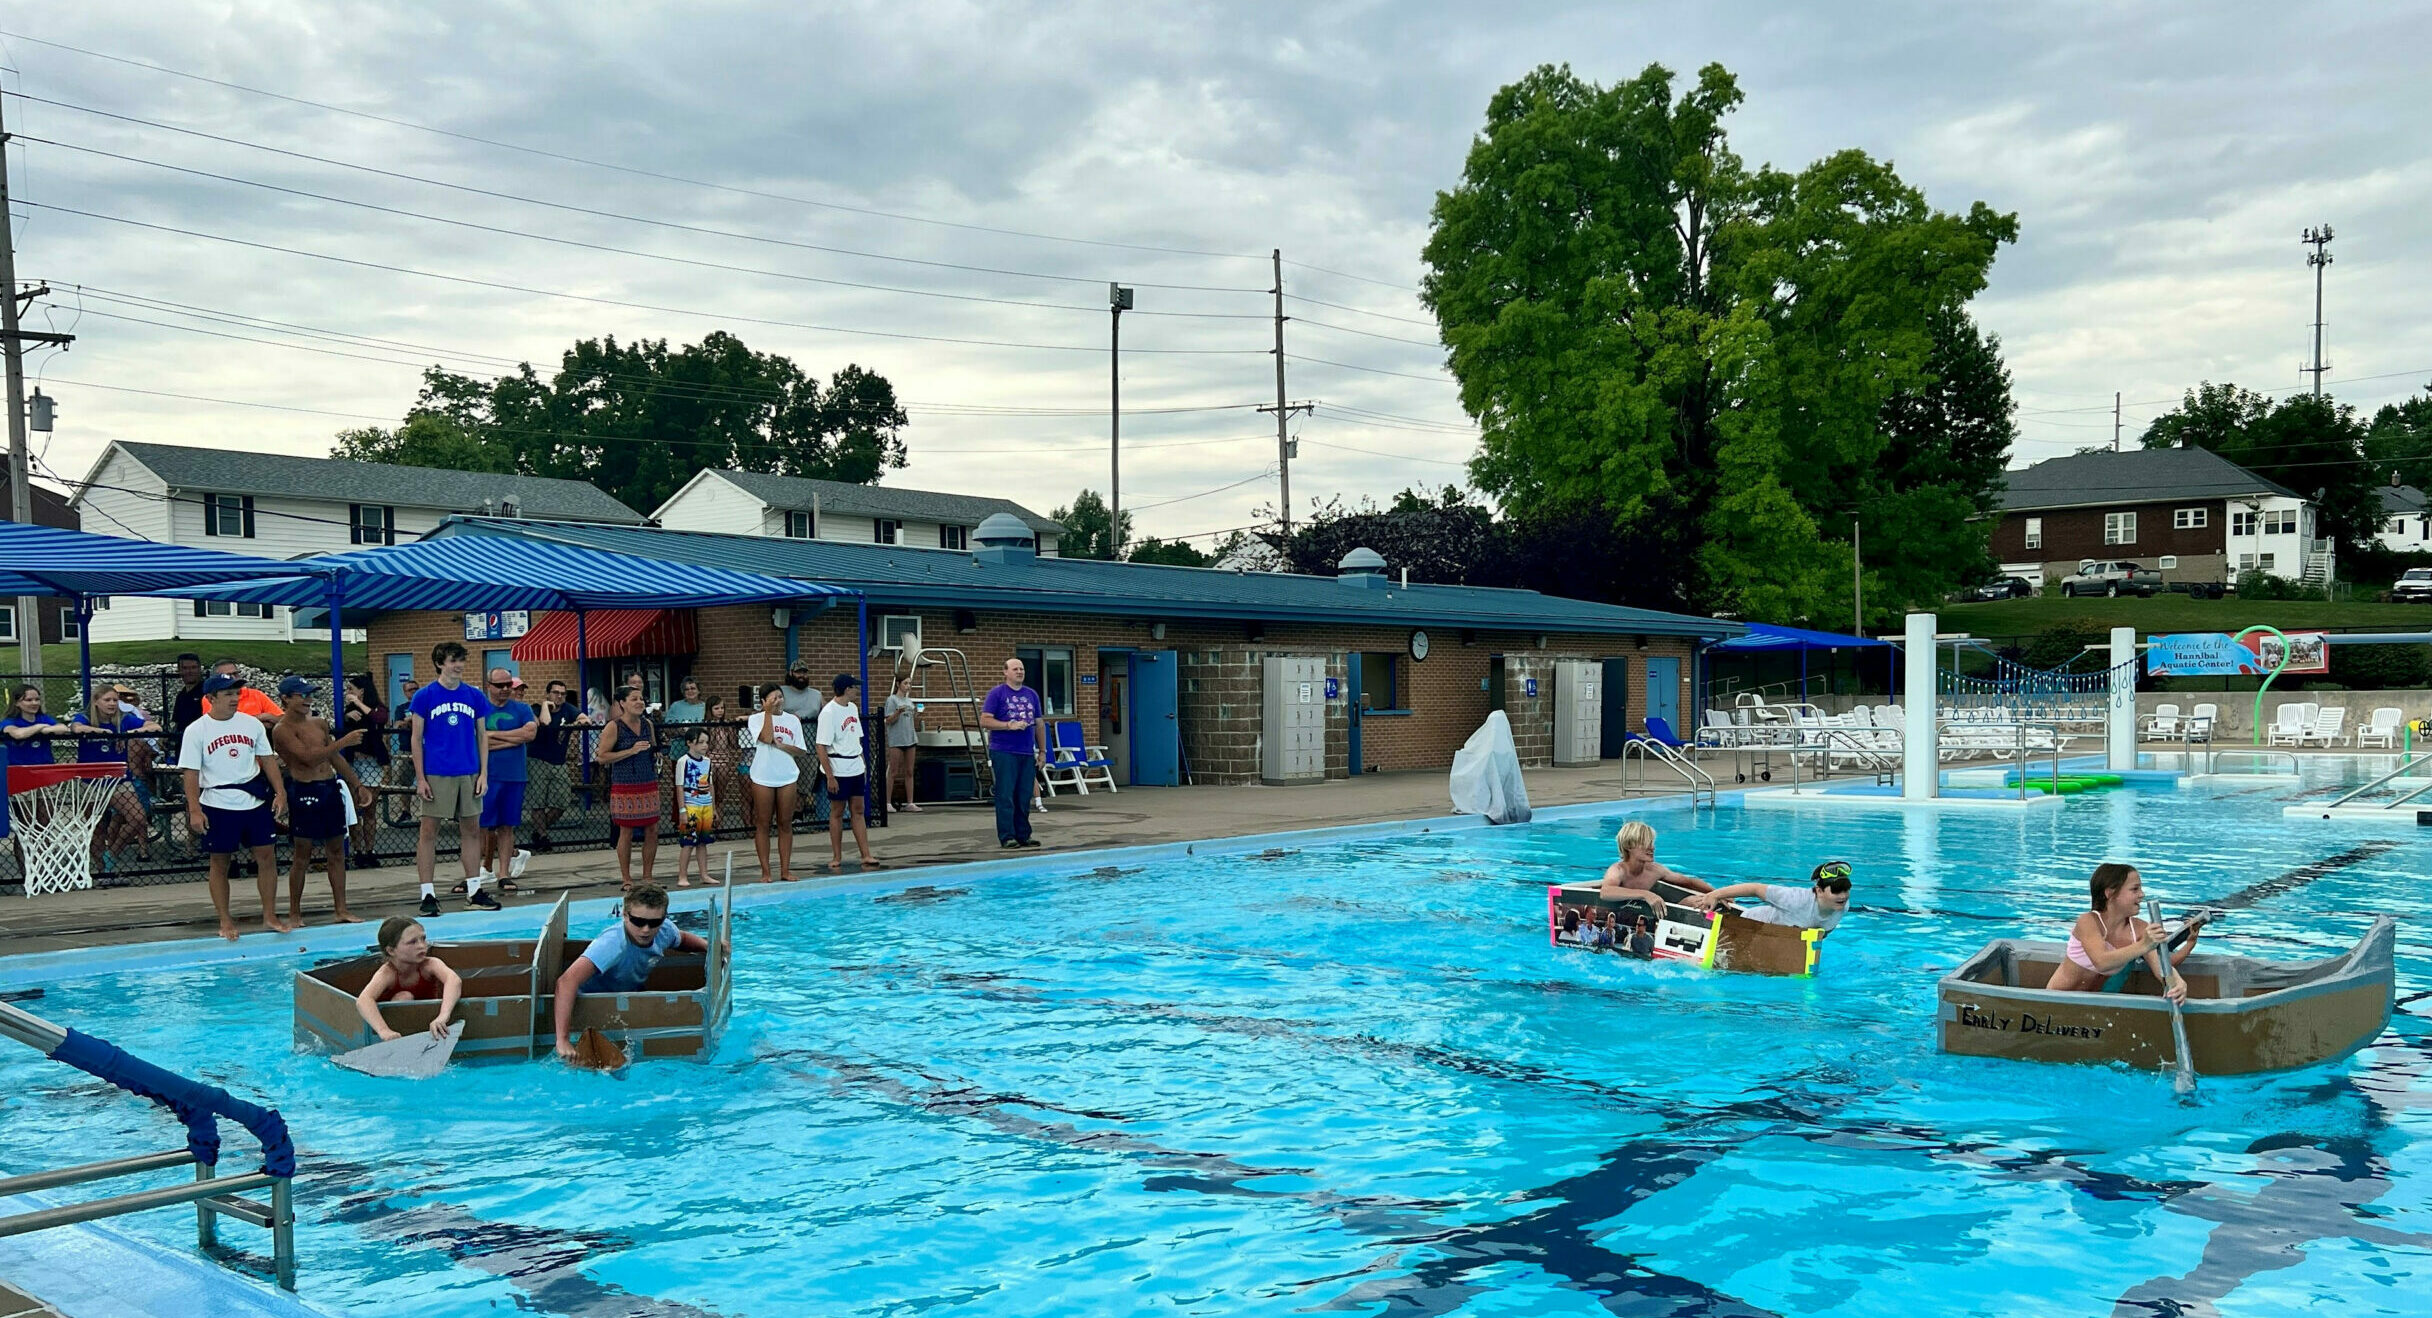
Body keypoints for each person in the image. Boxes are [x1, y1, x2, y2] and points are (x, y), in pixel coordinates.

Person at [178, 673, 288, 940]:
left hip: (253, 799)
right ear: (211, 698)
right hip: (217, 802)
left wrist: (280, 792)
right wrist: (194, 810)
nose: (234, 699)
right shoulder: (196, 731)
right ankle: (225, 921)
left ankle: (270, 915)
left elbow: (268, 759)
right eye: (227, 694)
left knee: (267, 856)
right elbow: (190, 773)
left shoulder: (252, 725)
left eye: (236, 693)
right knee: (220, 862)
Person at [550, 883, 710, 1060]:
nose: (646, 930)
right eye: (638, 922)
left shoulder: (664, 930)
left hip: (628, 995)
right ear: (625, 915)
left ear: (664, 918)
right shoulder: (612, 943)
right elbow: (566, 981)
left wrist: (708, 946)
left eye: (654, 922)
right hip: (594, 1004)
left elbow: (682, 939)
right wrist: (562, 1040)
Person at [271, 675, 370, 927]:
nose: (307, 700)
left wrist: (356, 784)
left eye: (309, 695)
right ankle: (294, 913)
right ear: (285, 698)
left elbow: (334, 758)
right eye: (301, 695)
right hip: (304, 790)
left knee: (337, 851)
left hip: (328, 788)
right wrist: (344, 741)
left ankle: (341, 909)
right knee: (302, 854)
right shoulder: (282, 730)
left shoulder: (319, 723)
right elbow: (308, 758)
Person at [409, 641, 497, 918]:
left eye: (461, 660)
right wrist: (420, 778)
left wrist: (483, 773)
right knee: (428, 833)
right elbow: (415, 738)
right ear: (440, 663)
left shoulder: (474, 695)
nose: (458, 665)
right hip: (437, 772)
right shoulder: (424, 696)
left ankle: (474, 890)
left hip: (468, 771)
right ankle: (428, 894)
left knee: (472, 830)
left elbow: (482, 735)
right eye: (452, 660)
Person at [2044, 863, 2200, 1001]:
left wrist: (2177, 983)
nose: (2142, 894)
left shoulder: (2139, 929)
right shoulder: (2089, 922)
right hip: (2055, 1002)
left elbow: (2162, 968)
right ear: (2110, 893)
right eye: (2135, 889)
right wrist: (2144, 945)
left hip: (2091, 1007)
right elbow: (2102, 962)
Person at [70, 685, 156, 860]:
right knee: (97, 827)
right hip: (91, 781)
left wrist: (131, 732)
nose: (112, 704)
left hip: (118, 779)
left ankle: (111, 855)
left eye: (115, 700)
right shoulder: (86, 717)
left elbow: (155, 726)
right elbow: (76, 728)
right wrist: (101, 732)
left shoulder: (124, 719)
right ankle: (103, 871)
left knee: (138, 818)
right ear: (96, 702)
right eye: (107, 700)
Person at [352, 916, 462, 1042]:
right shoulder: (387, 973)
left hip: (428, 1022)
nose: (422, 945)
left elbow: (454, 980)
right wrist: (384, 1031)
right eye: (412, 942)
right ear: (391, 950)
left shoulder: (430, 964)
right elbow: (364, 1000)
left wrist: (443, 1016)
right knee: (405, 996)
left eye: (423, 938)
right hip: (398, 1031)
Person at [475, 669, 536, 894]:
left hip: (514, 775)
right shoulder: (480, 710)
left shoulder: (522, 709)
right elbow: (477, 741)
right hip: (487, 775)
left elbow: (529, 735)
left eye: (507, 685)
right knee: (483, 825)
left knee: (507, 826)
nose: (504, 690)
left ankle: (504, 873)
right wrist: (513, 739)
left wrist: (491, 737)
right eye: (499, 686)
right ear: (488, 685)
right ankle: (481, 870)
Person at [597, 685, 661, 889]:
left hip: (647, 781)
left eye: (641, 698)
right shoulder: (614, 727)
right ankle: (627, 879)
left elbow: (652, 748)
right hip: (625, 784)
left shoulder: (647, 724)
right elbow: (602, 757)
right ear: (622, 703)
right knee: (626, 830)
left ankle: (648, 876)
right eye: (634, 699)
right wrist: (630, 751)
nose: (639, 702)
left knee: (652, 828)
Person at [978, 657, 1046, 849]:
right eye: (1015, 669)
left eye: (1022, 669)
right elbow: (985, 721)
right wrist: (1008, 725)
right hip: (1004, 751)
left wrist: (1042, 752)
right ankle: (1007, 836)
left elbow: (1039, 724)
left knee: (1024, 795)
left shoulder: (1032, 695)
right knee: (1006, 794)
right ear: (1005, 672)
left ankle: (1023, 834)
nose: (1019, 672)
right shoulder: (997, 694)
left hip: (1026, 752)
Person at [815, 674, 880, 872]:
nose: (857, 691)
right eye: (854, 687)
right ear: (845, 689)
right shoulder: (828, 713)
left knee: (858, 810)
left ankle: (865, 853)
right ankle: (837, 856)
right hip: (838, 766)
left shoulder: (852, 708)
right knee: (837, 811)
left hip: (854, 766)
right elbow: (821, 746)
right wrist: (830, 776)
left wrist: (862, 763)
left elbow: (856, 739)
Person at [1684, 861, 1853, 933]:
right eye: (1837, 891)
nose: (1843, 896)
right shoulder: (1795, 899)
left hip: (1780, 938)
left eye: (1846, 890)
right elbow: (1756, 888)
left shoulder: (1841, 906)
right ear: (1819, 891)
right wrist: (1715, 895)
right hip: (1751, 925)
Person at [745, 682, 805, 882]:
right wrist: (768, 713)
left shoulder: (793, 721)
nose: (778, 701)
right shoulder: (755, 719)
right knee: (763, 822)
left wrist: (783, 746)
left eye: (780, 697)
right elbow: (766, 737)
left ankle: (785, 870)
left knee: (785, 823)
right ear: (763, 702)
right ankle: (766, 871)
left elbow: (801, 749)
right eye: (773, 698)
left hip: (787, 775)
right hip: (763, 775)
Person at [1596, 820, 1714, 920]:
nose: (1652, 848)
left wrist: (1716, 894)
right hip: (1612, 919)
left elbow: (1689, 882)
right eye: (1645, 844)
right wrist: (1645, 894)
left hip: (1644, 920)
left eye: (1651, 843)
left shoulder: (1655, 870)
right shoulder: (1618, 869)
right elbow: (1606, 892)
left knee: (1695, 902)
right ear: (1629, 846)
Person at [526, 679, 583, 852]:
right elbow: (545, 721)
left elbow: (583, 718)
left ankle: (538, 830)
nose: (560, 696)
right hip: (537, 760)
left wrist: (576, 722)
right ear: (548, 694)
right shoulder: (537, 708)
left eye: (563, 693)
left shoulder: (568, 709)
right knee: (538, 802)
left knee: (562, 801)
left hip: (558, 761)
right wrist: (546, 705)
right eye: (556, 693)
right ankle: (542, 837)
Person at [341, 674, 390, 865]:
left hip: (371, 762)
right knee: (353, 808)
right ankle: (358, 850)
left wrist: (359, 703)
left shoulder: (376, 707)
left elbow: (379, 718)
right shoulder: (349, 710)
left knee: (369, 808)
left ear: (361, 691)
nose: (348, 693)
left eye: (351, 689)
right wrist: (347, 714)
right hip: (354, 762)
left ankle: (370, 850)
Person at [673, 729, 716, 888]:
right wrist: (682, 810)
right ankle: (682, 875)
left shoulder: (707, 761)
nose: (705, 745)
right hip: (691, 806)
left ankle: (704, 874)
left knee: (703, 842)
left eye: (706, 742)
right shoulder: (683, 761)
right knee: (688, 842)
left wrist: (713, 806)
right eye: (701, 742)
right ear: (690, 743)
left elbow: (710, 784)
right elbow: (679, 786)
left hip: (706, 805)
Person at [882, 674, 921, 813]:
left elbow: (910, 719)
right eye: (905, 683)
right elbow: (888, 720)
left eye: (909, 683)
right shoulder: (892, 700)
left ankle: (910, 802)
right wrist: (898, 712)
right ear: (898, 684)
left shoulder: (909, 701)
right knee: (893, 771)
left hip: (910, 738)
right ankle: (887, 802)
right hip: (897, 739)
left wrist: (916, 714)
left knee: (909, 771)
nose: (908, 686)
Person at [1, 684, 61, 766]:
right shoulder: (9, 721)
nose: (34, 703)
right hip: (19, 769)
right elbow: (18, 734)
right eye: (29, 700)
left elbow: (63, 728)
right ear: (17, 703)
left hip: (45, 767)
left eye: (37, 699)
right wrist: (40, 727)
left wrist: (44, 729)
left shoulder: (43, 718)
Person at [211, 659, 282, 720]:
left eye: (235, 673)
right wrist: (263, 717)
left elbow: (280, 719)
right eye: (228, 675)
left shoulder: (256, 695)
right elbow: (220, 723)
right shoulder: (212, 698)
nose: (233, 678)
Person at [167, 653, 207, 742]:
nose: (190, 671)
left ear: (199, 669)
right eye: (185, 668)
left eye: (193, 667)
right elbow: (177, 723)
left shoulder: (208, 692)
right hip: (183, 743)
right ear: (179, 670)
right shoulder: (181, 696)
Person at [664, 676, 706, 750]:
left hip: (700, 750)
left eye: (693, 688)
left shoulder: (705, 707)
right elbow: (667, 728)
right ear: (683, 692)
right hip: (679, 750)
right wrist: (680, 731)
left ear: (699, 690)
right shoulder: (675, 706)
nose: (690, 691)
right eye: (686, 689)